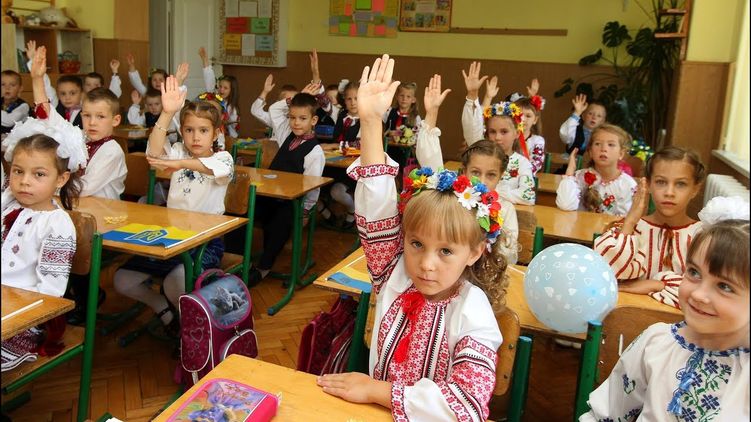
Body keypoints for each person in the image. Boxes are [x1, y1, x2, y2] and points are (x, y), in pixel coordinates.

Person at [317, 54, 507, 422]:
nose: (426, 264)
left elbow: (466, 407)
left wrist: (376, 390)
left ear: (474, 252)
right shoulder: (394, 273)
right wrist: (371, 123)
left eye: (446, 251)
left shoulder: (473, 310)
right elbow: (376, 206)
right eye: (416, 244)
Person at [581, 217, 750, 421]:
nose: (698, 294)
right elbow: (604, 415)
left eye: (724, 286)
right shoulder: (657, 343)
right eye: (694, 272)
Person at [113, 75, 233, 334]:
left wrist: (177, 164)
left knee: (174, 283)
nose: (195, 137)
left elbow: (206, 167)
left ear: (216, 133)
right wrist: (167, 114)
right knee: (123, 279)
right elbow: (154, 153)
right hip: (171, 237)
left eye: (203, 131)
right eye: (189, 130)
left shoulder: (224, 159)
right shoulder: (178, 150)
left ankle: (195, 331)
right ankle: (165, 311)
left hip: (205, 242)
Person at [0, 104, 86, 372]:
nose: (24, 181)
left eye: (39, 174)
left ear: (61, 179)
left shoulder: (56, 224)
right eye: (18, 171)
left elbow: (50, 293)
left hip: (24, 319)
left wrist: (13, 313)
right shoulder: (8, 203)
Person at [415, 74, 519, 265]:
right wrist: (432, 113)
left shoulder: (505, 209)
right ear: (463, 172)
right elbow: (430, 159)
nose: (482, 181)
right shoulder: (453, 198)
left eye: (491, 175)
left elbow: (509, 256)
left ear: (500, 176)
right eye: (475, 172)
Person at [594, 146, 707, 308]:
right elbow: (605, 275)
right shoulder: (631, 230)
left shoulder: (703, 237)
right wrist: (630, 221)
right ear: (648, 184)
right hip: (625, 316)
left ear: (695, 189)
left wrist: (657, 284)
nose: (669, 192)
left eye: (681, 184)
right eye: (661, 182)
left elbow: (702, 292)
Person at [247, 84, 325, 285]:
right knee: (242, 212)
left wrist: (306, 211)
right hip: (270, 196)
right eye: (292, 117)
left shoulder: (315, 152)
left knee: (280, 223)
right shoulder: (285, 134)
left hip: (293, 204)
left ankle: (263, 268)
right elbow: (274, 109)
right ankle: (240, 262)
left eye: (302, 118)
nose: (296, 123)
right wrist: (299, 96)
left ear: (314, 120)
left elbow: (313, 186)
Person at [461, 62, 535, 205]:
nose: (498, 137)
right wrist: (472, 95)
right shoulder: (480, 156)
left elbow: (528, 196)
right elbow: (471, 127)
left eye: (504, 132)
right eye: (492, 131)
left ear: (517, 133)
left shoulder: (522, 163)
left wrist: (493, 190)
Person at [556, 123, 637, 215]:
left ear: (621, 154)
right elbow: (565, 206)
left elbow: (626, 219)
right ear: (590, 151)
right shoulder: (579, 177)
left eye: (611, 145)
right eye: (597, 144)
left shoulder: (627, 184)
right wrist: (570, 172)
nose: (604, 149)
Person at [198, 47, 240, 138]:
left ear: (232, 90)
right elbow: (209, 79)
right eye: (220, 86)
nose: (221, 90)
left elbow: (234, 126)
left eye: (225, 88)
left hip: (227, 137)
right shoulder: (214, 96)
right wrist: (205, 60)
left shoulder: (231, 108)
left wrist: (225, 121)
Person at [251, 74, 298, 139]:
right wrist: (265, 92)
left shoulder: (299, 120)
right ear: (278, 103)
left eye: (295, 100)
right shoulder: (275, 117)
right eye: (288, 101)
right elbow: (256, 111)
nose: (292, 103)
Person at [1, 70, 29, 135]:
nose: (7, 88)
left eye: (12, 85)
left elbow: (9, 121)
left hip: (19, 137)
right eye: (3, 84)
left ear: (20, 89)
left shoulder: (23, 106)